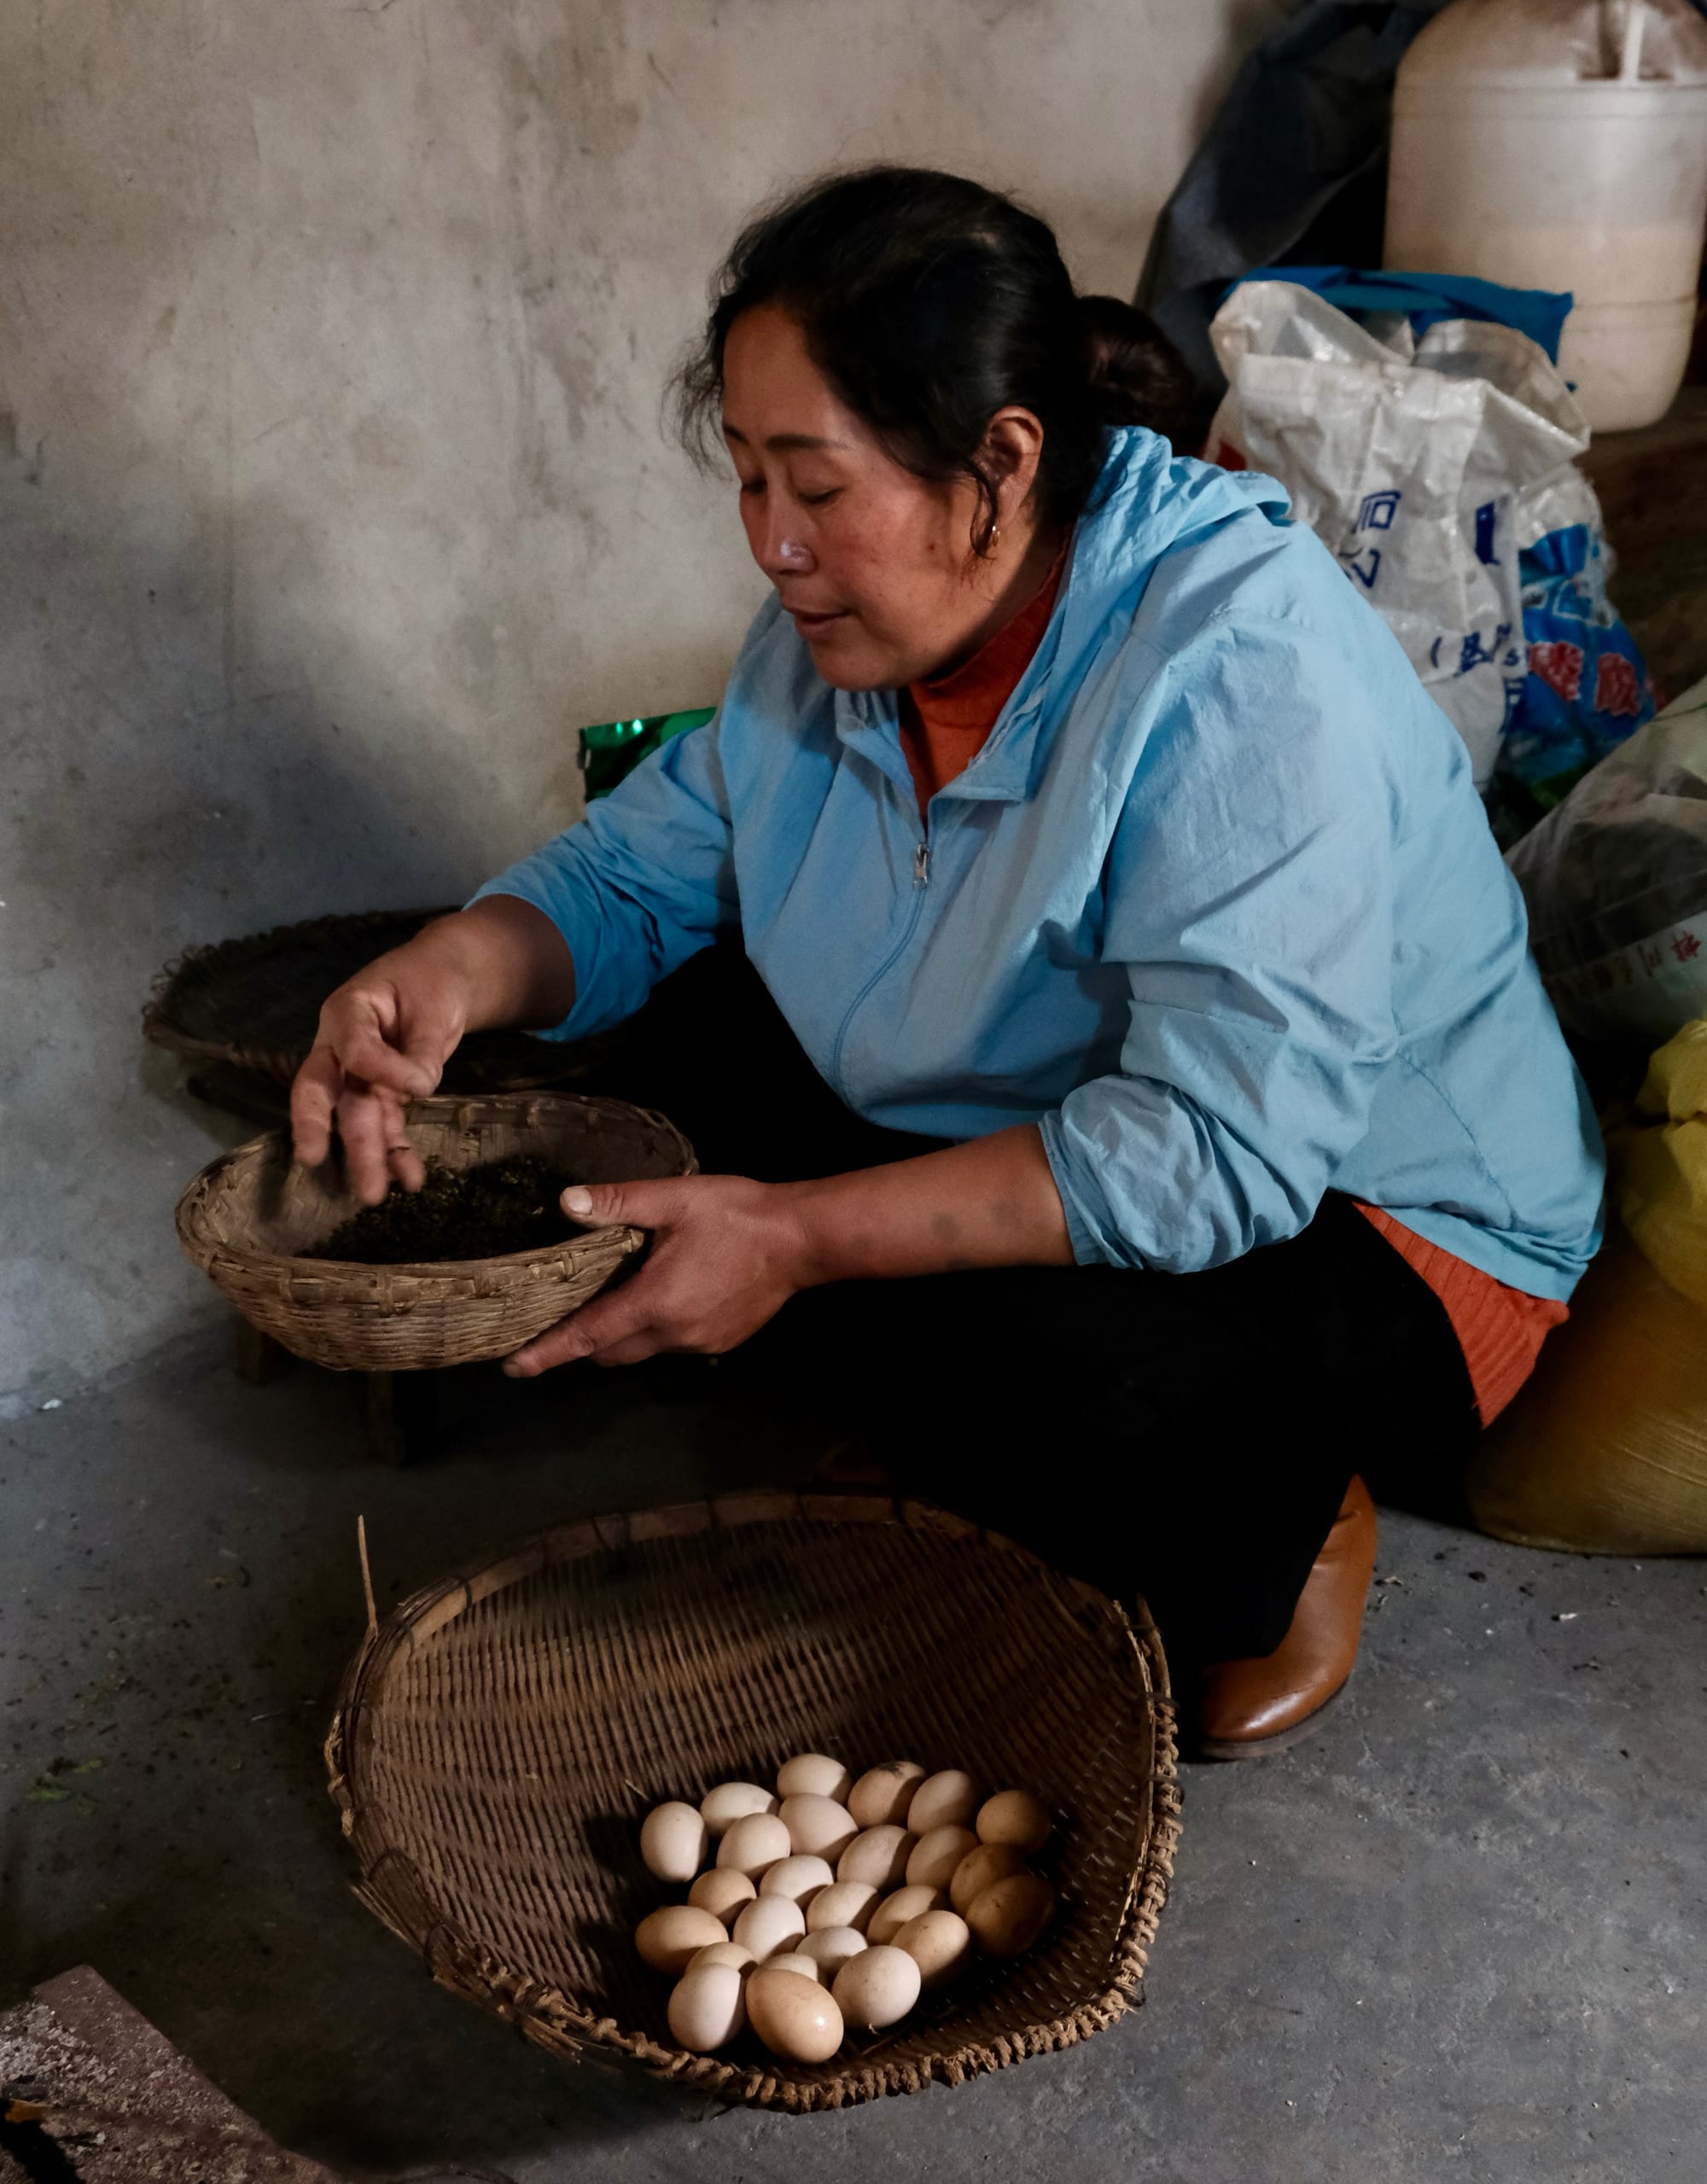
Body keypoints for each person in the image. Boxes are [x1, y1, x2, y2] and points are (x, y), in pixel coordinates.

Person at [290, 168, 1605, 1758]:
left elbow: (1223, 1148)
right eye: (746, 477)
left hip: (1375, 1222)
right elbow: (641, 874)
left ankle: (1291, 1516)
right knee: (667, 1071)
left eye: (820, 486)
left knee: (1020, 1363)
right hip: (1079, 1096)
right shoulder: (831, 645)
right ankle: (929, 1365)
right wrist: (444, 971)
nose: (773, 546)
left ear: (1002, 461)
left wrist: (803, 1238)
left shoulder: (1241, 662)